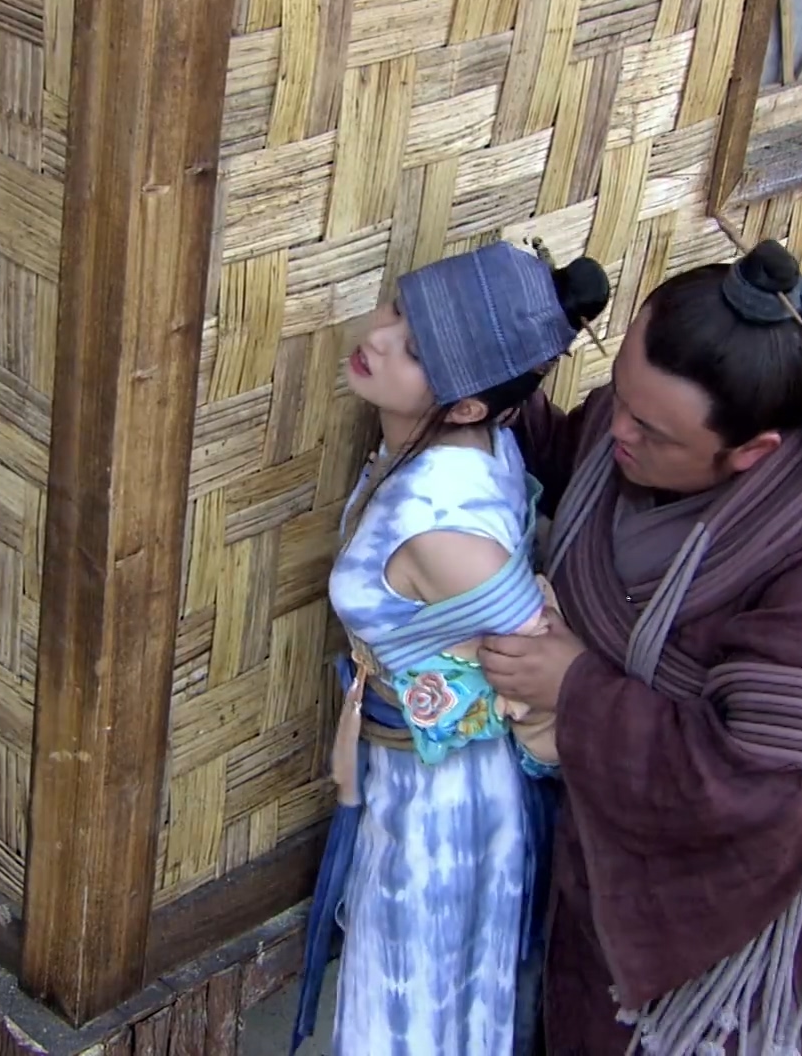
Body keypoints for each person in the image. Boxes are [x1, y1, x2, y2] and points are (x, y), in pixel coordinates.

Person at [480, 240, 802, 1055]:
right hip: (607, 844)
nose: (616, 430)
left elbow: (765, 788)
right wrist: (486, 386)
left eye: (649, 429)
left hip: (741, 912)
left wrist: (577, 689)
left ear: (752, 452)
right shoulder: (634, 434)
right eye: (619, 392)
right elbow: (570, 457)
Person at [290, 241, 610, 1055]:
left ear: (467, 406)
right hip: (421, 781)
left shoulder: (439, 529)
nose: (380, 337)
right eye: (399, 308)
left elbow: (532, 652)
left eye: (416, 349)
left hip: (446, 807)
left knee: (408, 1018)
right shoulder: (479, 446)